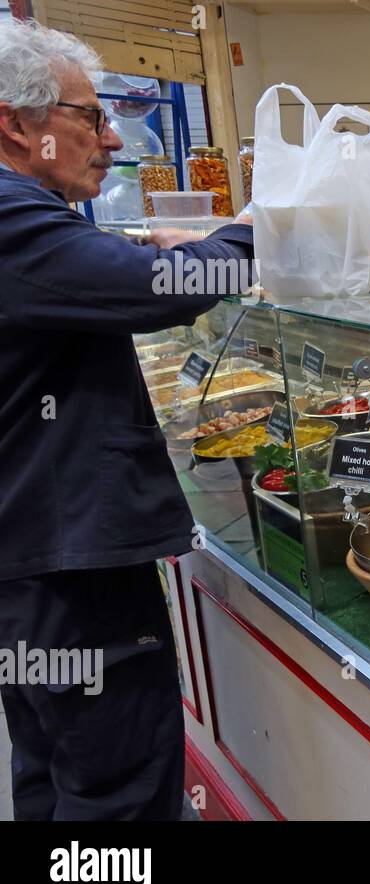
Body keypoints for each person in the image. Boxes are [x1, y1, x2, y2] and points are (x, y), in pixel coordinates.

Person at [0, 20, 257, 820]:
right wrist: (267, 228)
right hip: (69, 570)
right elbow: (163, 289)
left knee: (52, 763)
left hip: (31, 568)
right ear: (16, 123)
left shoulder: (31, 212)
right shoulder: (12, 219)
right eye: (89, 116)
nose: (111, 138)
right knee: (119, 786)